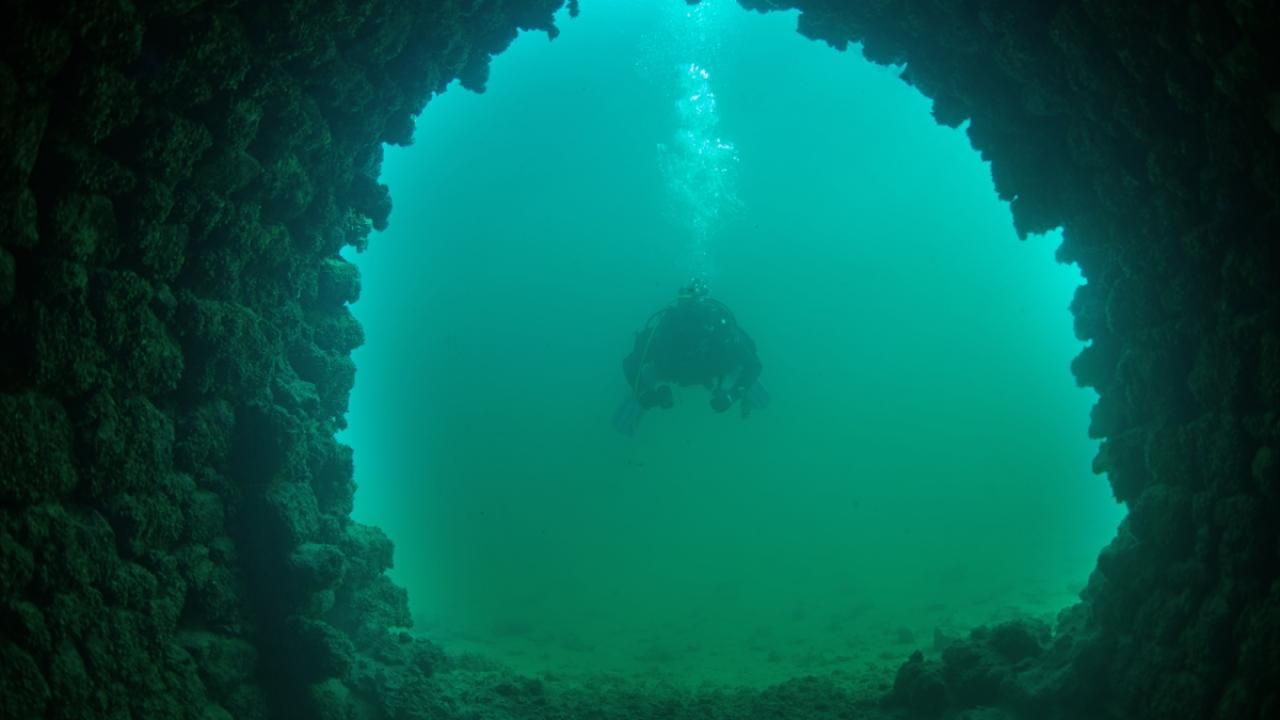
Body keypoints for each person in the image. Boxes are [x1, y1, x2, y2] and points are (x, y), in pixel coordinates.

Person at [613, 279, 768, 435]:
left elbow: (753, 364)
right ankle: (624, 428)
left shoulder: (721, 330)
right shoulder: (665, 332)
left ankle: (759, 407)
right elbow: (631, 364)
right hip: (676, 368)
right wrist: (646, 395)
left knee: (738, 368)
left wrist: (732, 395)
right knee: (648, 375)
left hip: (712, 366)